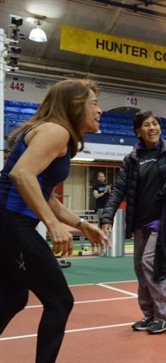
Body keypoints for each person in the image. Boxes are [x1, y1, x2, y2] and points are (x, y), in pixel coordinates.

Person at [0, 79, 110, 363]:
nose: (100, 111)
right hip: (10, 222)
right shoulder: (56, 131)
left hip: (8, 222)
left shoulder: (56, 134)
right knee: (60, 302)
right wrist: (52, 225)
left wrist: (82, 225)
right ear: (75, 105)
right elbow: (21, 175)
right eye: (94, 103)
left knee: (13, 298)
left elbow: (44, 194)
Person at [100, 110, 166, 334]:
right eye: (147, 125)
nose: (153, 128)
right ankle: (150, 314)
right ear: (138, 131)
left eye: (156, 123)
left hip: (164, 219)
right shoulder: (132, 158)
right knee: (140, 267)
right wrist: (107, 215)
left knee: (152, 264)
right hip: (140, 220)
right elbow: (120, 188)